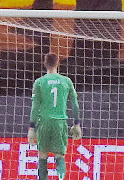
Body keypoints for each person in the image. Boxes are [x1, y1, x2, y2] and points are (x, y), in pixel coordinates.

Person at [28, 51, 81, 180]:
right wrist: (77, 124)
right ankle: (61, 177)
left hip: (44, 122)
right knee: (59, 156)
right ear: (58, 64)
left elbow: (35, 107)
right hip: (59, 122)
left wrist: (32, 127)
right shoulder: (66, 81)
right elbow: (75, 104)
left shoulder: (39, 82)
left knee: (42, 155)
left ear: (45, 64)